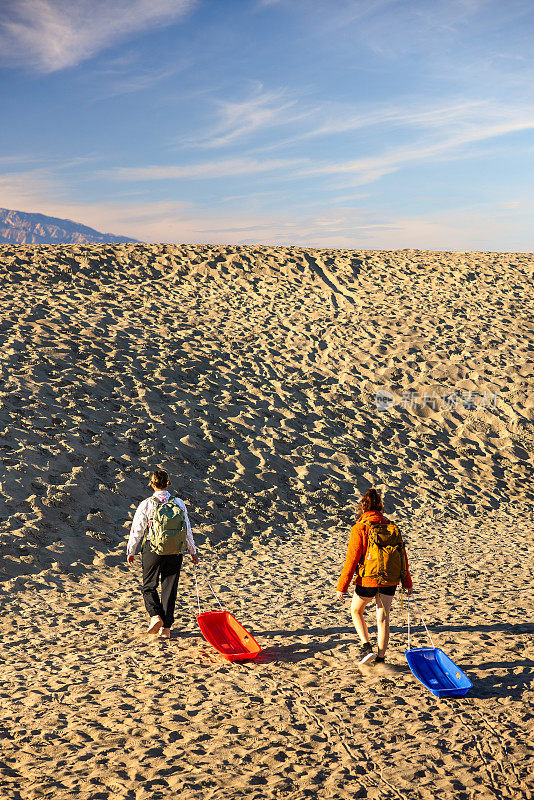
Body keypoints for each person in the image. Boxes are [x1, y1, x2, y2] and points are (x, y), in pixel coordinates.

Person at [336, 488, 413, 664]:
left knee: (356, 610)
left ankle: (366, 647)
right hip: (390, 579)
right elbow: (403, 556)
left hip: (368, 579)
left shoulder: (360, 527)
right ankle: (380, 659)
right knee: (383, 619)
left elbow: (352, 560)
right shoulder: (391, 527)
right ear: (380, 507)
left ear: (363, 507)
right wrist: (407, 583)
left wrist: (342, 586)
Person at [127, 469, 199, 638]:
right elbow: (187, 529)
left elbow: (137, 529)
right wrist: (192, 551)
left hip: (153, 549)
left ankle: (155, 616)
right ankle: (166, 628)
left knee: (149, 586)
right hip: (175, 550)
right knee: (170, 588)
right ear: (168, 483)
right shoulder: (179, 503)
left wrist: (131, 550)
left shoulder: (147, 504)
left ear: (152, 484)